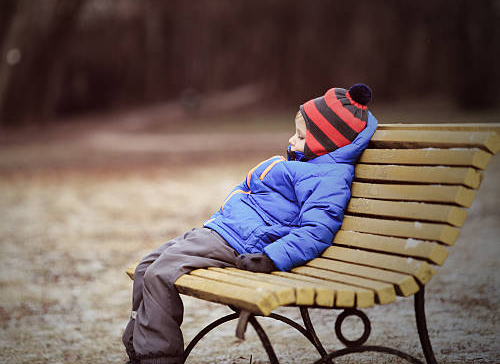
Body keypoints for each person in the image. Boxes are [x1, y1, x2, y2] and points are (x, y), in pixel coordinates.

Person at [122, 84, 378, 364]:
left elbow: (317, 231)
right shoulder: (309, 166)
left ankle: (157, 358)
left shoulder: (327, 179)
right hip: (224, 230)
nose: (292, 141)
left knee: (160, 274)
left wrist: (271, 257)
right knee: (147, 267)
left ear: (326, 141)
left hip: (240, 242)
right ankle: (138, 346)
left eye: (301, 136)